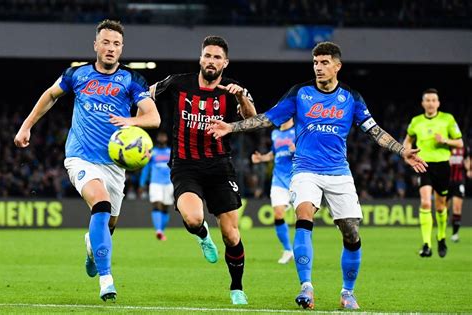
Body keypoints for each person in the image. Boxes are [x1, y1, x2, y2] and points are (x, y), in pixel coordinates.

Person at [208, 41, 427, 310]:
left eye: (324, 63)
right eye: (315, 62)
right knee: (303, 216)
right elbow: (267, 118)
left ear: (337, 66)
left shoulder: (351, 97)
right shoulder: (300, 93)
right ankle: (306, 287)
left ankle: (347, 292)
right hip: (305, 170)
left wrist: (402, 150)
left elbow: (374, 130)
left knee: (351, 232)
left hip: (338, 172)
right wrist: (232, 126)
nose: (318, 68)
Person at [14, 20, 160, 302]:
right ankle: (107, 280)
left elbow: (153, 117)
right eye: (105, 42)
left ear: (121, 48)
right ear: (95, 45)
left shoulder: (131, 80)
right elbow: (50, 96)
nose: (110, 48)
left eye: (116, 44)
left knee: (108, 223)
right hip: (80, 157)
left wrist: (129, 121)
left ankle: (92, 249)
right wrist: (26, 126)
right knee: (101, 204)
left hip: (116, 164)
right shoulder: (77, 74)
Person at [149, 36, 256, 305]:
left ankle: (236, 287)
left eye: (217, 57)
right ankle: (202, 236)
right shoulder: (178, 83)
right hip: (185, 165)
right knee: (194, 219)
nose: (211, 61)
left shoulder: (233, 91)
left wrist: (242, 98)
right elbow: (144, 93)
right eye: (207, 56)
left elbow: (252, 119)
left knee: (231, 234)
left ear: (225, 62)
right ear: (200, 59)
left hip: (220, 167)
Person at [403, 88, 463, 257]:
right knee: (425, 203)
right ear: (423, 103)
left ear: (438, 103)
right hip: (424, 165)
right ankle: (427, 245)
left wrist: (444, 140)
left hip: (443, 166)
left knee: (440, 206)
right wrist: (406, 154)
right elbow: (407, 140)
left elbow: (459, 142)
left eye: (433, 100)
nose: (430, 103)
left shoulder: (447, 119)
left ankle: (441, 237)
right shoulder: (416, 121)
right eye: (427, 100)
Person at [251, 118, 295, 264]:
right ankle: (288, 250)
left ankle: (302, 250)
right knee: (278, 214)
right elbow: (274, 153)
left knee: (302, 218)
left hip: (297, 179)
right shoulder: (275, 133)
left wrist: (298, 150)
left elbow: (310, 151)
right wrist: (262, 158)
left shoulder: (298, 130)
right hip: (279, 179)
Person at [138, 131, 173, 240]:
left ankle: (161, 231)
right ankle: (158, 230)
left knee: (165, 207)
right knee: (157, 204)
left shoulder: (170, 152)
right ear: (157, 138)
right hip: (155, 182)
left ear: (166, 138)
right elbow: (146, 168)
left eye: (164, 136)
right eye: (160, 136)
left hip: (169, 183)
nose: (162, 138)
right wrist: (142, 183)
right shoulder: (152, 152)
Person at [448, 145, 470, 242]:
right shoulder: (445, 146)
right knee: (443, 209)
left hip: (459, 181)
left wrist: (468, 168)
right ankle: (442, 232)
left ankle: (455, 234)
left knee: (457, 208)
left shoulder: (464, 148)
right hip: (446, 181)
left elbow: (467, 162)